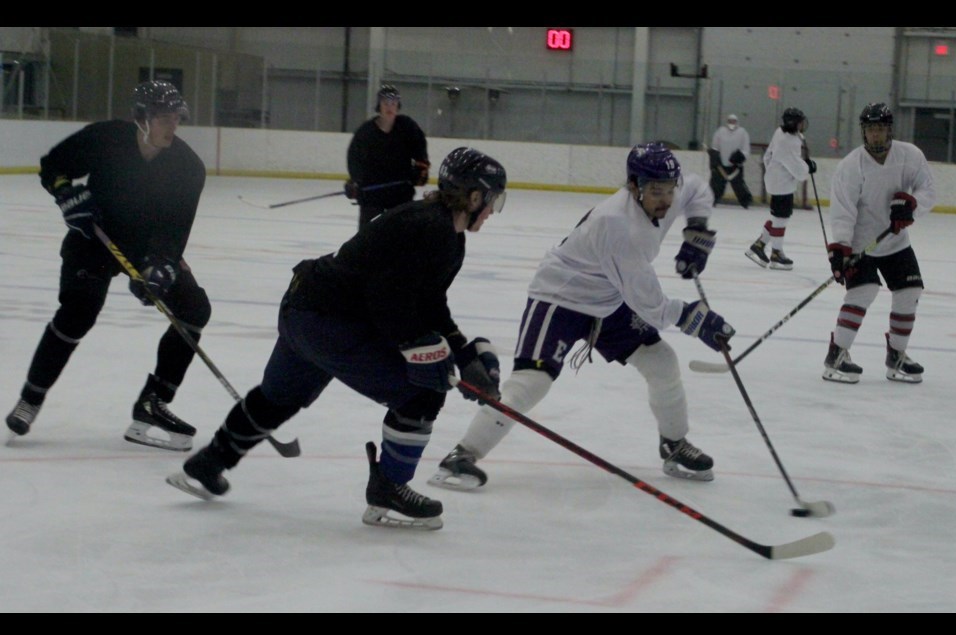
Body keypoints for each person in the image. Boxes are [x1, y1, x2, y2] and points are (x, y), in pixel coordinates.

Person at [165, 147, 507, 531]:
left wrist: (463, 355)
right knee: (423, 392)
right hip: (327, 322)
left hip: (303, 309)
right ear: (474, 196)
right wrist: (427, 352)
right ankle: (389, 492)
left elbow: (427, 301)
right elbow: (386, 301)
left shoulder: (444, 232)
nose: (493, 209)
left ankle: (206, 465)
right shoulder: (432, 230)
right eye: (493, 199)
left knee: (279, 397)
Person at [428, 142, 736, 492]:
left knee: (661, 362)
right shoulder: (618, 225)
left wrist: (697, 229)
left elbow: (697, 188)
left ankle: (674, 444)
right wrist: (697, 320)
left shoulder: (669, 192)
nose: (665, 200)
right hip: (560, 298)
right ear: (633, 186)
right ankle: (461, 456)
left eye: (669, 189)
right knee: (532, 383)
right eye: (655, 191)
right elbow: (652, 306)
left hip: (607, 296)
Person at [5, 80, 209, 452]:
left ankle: (152, 403)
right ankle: (30, 399)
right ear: (140, 118)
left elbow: (175, 230)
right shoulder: (105, 139)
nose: (171, 127)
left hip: (146, 246)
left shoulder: (188, 167)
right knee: (78, 312)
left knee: (195, 310)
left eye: (175, 119)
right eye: (163, 118)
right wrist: (67, 193)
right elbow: (53, 166)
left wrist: (159, 267)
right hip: (94, 238)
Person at [822, 102, 935, 384]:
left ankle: (896, 355)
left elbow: (927, 189)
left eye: (880, 129)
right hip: (862, 244)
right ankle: (836, 355)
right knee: (864, 290)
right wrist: (840, 249)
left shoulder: (910, 156)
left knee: (910, 291)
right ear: (864, 132)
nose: (875, 135)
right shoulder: (851, 165)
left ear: (889, 130)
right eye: (871, 129)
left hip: (896, 241)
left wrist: (911, 206)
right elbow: (842, 211)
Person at [344, 84, 430, 229]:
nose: (389, 107)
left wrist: (420, 170)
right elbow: (354, 159)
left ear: (398, 106)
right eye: (386, 103)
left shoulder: (408, 127)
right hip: (372, 196)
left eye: (393, 103)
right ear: (379, 105)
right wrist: (355, 182)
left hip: (400, 194)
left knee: (399, 238)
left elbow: (420, 151)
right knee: (367, 238)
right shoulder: (366, 132)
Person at [745, 107, 816, 270]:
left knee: (779, 217)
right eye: (799, 122)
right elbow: (796, 168)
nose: (801, 125)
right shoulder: (787, 142)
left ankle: (759, 245)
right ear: (793, 124)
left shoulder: (782, 133)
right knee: (781, 218)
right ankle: (776, 253)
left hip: (778, 181)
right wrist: (807, 168)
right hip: (781, 183)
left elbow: (769, 156)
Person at [708, 113, 753, 208]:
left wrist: (740, 157)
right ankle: (711, 200)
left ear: (737, 122)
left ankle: (745, 202)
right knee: (716, 185)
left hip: (735, 166)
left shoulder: (742, 132)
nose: (731, 123)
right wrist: (715, 158)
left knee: (739, 185)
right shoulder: (720, 132)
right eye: (730, 121)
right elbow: (715, 147)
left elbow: (746, 149)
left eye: (733, 121)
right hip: (721, 166)